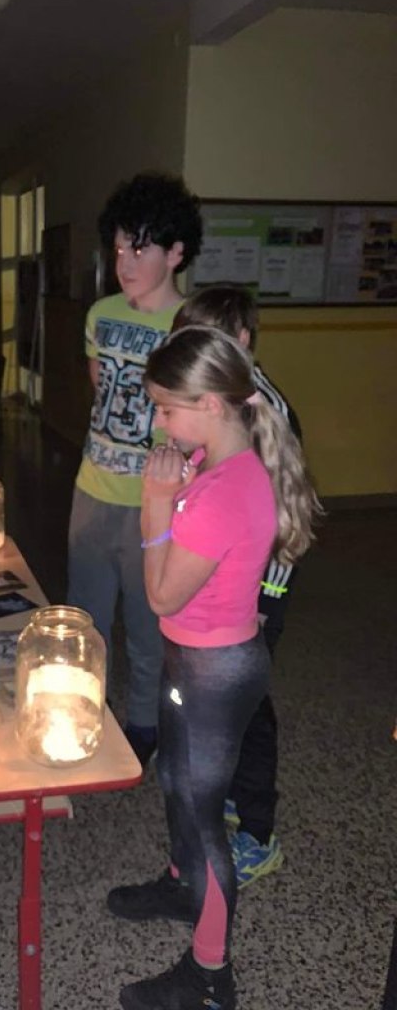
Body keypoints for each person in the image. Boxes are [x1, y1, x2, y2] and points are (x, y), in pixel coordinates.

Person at [106, 326, 319, 1010]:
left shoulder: (225, 489)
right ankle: (182, 886)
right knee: (176, 783)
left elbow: (162, 595)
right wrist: (176, 490)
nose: (158, 423)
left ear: (211, 404)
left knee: (204, 823)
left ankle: (208, 976)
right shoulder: (216, 464)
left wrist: (154, 504)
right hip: (198, 659)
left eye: (166, 408)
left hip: (214, 672)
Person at [67, 172, 202, 766]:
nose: (124, 262)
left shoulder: (193, 325)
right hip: (92, 490)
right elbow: (101, 393)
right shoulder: (100, 314)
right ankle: (79, 712)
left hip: (158, 502)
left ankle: (144, 723)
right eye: (119, 248)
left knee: (149, 625)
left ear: (176, 253)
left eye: (140, 249)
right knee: (85, 621)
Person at [171, 284, 302, 888]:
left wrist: (264, 598)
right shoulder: (220, 401)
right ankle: (227, 795)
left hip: (259, 588)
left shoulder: (263, 413)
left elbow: (279, 518)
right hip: (229, 583)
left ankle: (257, 833)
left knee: (249, 709)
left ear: (242, 341)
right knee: (224, 706)